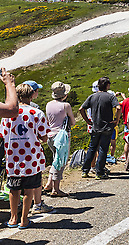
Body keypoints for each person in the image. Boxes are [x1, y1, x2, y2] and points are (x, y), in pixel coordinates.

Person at [1, 84, 50, 228]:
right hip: (31, 158)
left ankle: (13, 218)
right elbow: (44, 137)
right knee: (29, 190)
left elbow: (3, 134)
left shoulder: (8, 114)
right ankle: (24, 219)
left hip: (13, 158)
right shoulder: (37, 113)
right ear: (31, 95)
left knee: (13, 189)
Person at [79, 77, 122, 179]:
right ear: (107, 85)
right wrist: (116, 119)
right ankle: (99, 172)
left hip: (95, 126)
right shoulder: (110, 96)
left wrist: (88, 121)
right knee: (103, 149)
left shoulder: (92, 96)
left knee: (92, 148)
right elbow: (118, 107)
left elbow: (81, 109)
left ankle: (85, 171)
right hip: (107, 126)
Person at [44, 81, 75, 197]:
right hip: (61, 137)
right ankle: (56, 189)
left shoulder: (48, 104)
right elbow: (72, 122)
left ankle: (49, 184)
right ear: (64, 94)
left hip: (50, 135)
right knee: (60, 161)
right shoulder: (66, 106)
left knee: (55, 159)